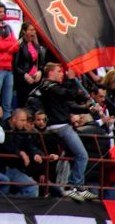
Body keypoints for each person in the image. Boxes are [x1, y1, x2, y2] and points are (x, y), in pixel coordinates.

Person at [36, 62, 99, 201]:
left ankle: (79, 186)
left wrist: (88, 109)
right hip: (61, 126)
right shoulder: (49, 87)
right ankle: (73, 186)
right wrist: (71, 79)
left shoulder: (54, 88)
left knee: (73, 156)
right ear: (50, 73)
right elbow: (70, 94)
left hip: (58, 126)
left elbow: (69, 106)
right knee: (82, 155)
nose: (62, 74)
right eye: (59, 71)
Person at [14, 22, 45, 107]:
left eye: (34, 30)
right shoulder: (19, 45)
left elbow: (41, 62)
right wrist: (24, 75)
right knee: (23, 103)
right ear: (24, 31)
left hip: (35, 79)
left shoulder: (36, 45)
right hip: (24, 79)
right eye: (30, 30)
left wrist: (40, 71)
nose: (33, 32)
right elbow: (15, 65)